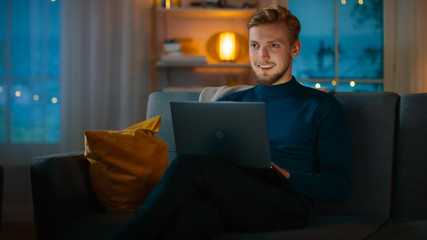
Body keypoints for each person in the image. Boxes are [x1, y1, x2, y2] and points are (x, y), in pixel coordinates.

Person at [114, 4, 352, 240]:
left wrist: (285, 175)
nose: (262, 56)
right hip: (234, 198)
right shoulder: (231, 102)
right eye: (255, 45)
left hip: (287, 204)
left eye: (273, 45)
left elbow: (340, 186)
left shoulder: (321, 107)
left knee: (190, 165)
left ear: (295, 49)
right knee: (196, 216)